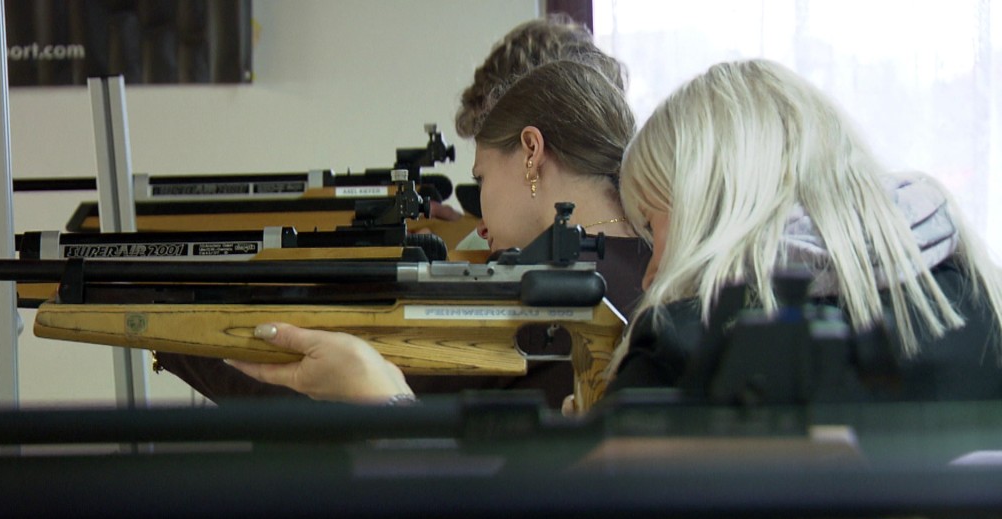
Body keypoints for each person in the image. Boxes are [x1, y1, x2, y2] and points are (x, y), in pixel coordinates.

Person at [226, 58, 1002, 408]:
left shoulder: (692, 342)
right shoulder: (966, 291)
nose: (657, 261)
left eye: (659, 226)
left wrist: (383, 410)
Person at [156, 17, 651, 407]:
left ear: (531, 151)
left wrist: (169, 330)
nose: (478, 221)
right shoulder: (657, 266)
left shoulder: (537, 297)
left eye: (480, 179)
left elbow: (326, 409)